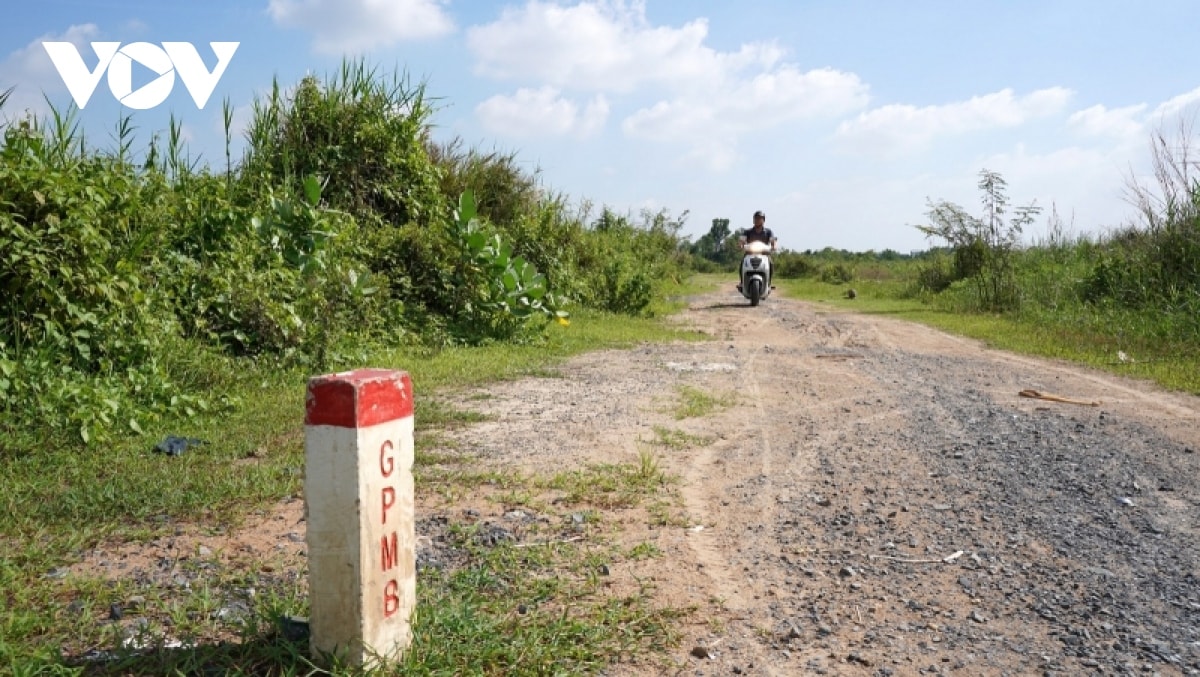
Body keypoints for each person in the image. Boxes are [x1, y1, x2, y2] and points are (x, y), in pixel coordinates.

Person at [737, 210, 777, 291]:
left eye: (759, 218)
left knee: (771, 264)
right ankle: (742, 282)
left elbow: (773, 242)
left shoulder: (769, 232)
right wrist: (741, 245)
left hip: (764, 253)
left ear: (763, 220)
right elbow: (742, 241)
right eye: (756, 218)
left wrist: (774, 246)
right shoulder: (747, 231)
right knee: (742, 264)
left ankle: (769, 282)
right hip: (750, 253)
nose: (757, 220)